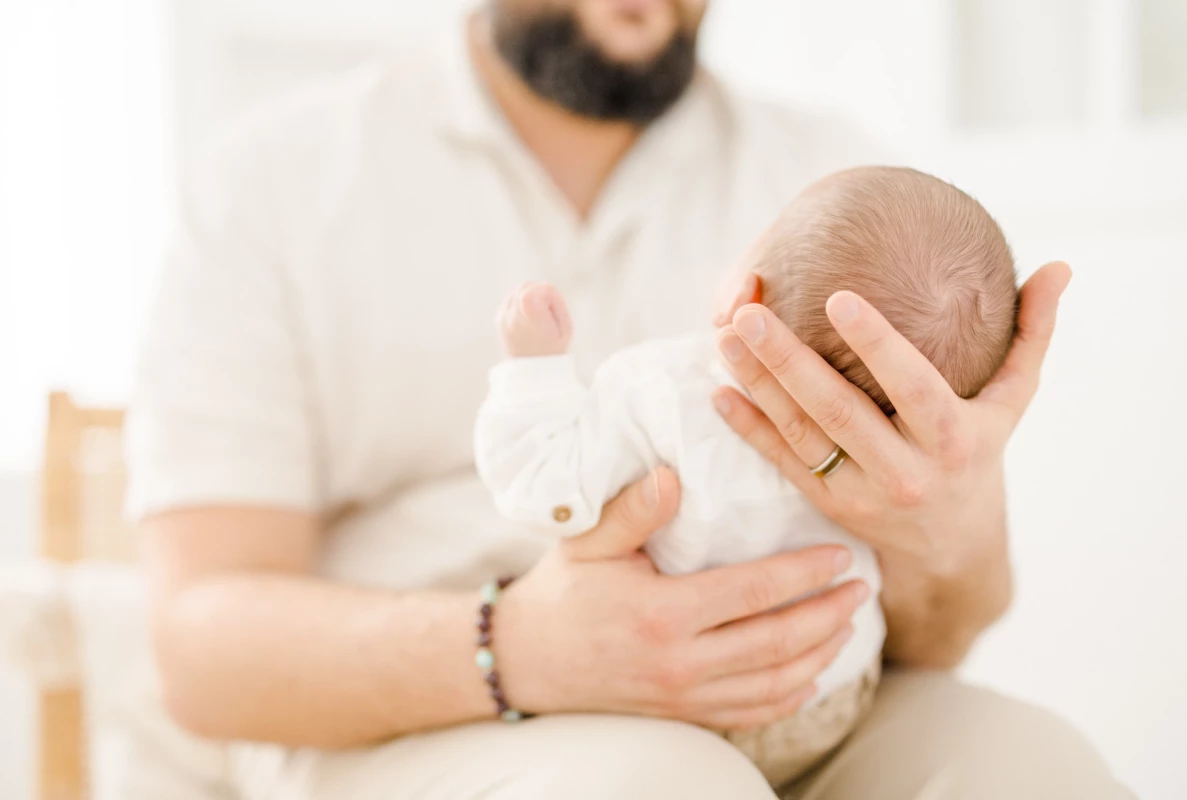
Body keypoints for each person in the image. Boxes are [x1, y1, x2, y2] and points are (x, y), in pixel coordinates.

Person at [128, 1, 1132, 798]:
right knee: (662, 784)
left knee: (1034, 769)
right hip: (410, 719)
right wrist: (522, 647)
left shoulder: (837, 183)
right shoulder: (274, 180)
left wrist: (945, 519)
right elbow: (197, 654)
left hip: (808, 707)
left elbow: (948, 634)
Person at [472, 166, 1018, 787]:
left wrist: (533, 370)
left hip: (666, 707)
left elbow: (540, 489)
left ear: (745, 297)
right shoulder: (892, 465)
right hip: (829, 701)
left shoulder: (659, 396)